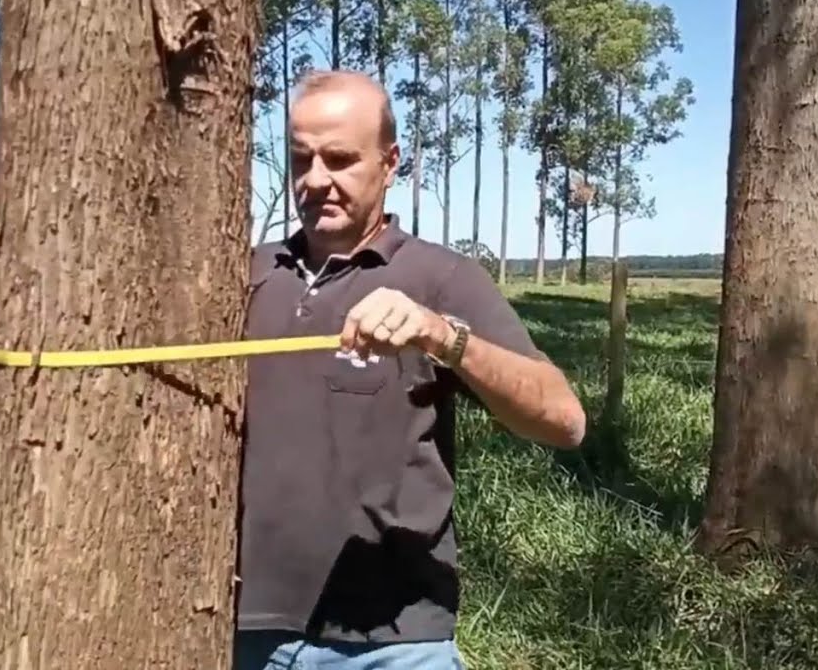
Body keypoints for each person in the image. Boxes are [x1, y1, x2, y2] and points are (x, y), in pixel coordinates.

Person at [236, 69, 586, 669]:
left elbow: (563, 421)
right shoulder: (246, 274)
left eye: (341, 159)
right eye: (301, 160)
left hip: (393, 643)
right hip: (245, 634)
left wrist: (441, 335)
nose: (316, 180)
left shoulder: (441, 279)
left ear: (390, 163)